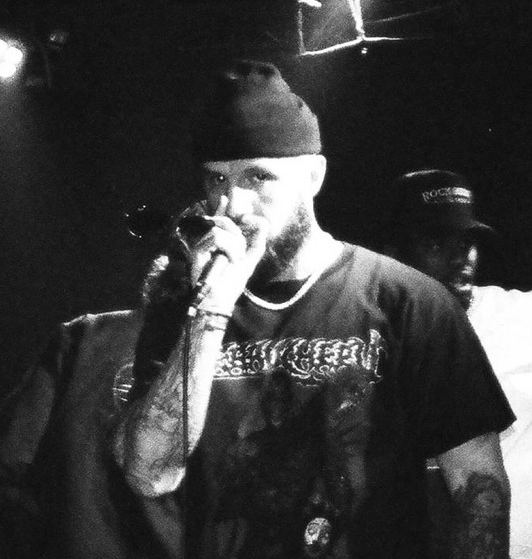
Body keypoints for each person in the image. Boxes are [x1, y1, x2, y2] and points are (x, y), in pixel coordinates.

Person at [0, 62, 515, 559]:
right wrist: (211, 307)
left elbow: (479, 488)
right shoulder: (184, 311)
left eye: (258, 177)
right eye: (216, 181)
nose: (233, 205)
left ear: (313, 175)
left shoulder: (408, 301)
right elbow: (150, 472)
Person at [384, 168, 532, 559]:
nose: (461, 256)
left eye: (468, 241)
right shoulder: (365, 335)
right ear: (394, 253)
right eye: (437, 242)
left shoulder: (521, 317)